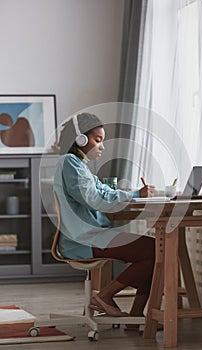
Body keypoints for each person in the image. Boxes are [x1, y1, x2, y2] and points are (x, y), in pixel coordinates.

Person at [53, 112, 156, 320]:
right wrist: (134, 194)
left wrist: (135, 193)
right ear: (80, 139)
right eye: (97, 140)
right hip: (83, 239)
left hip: (93, 234)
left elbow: (103, 192)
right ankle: (105, 296)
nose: (102, 146)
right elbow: (93, 199)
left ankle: (135, 319)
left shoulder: (81, 166)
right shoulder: (69, 162)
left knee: (157, 250)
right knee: (154, 250)